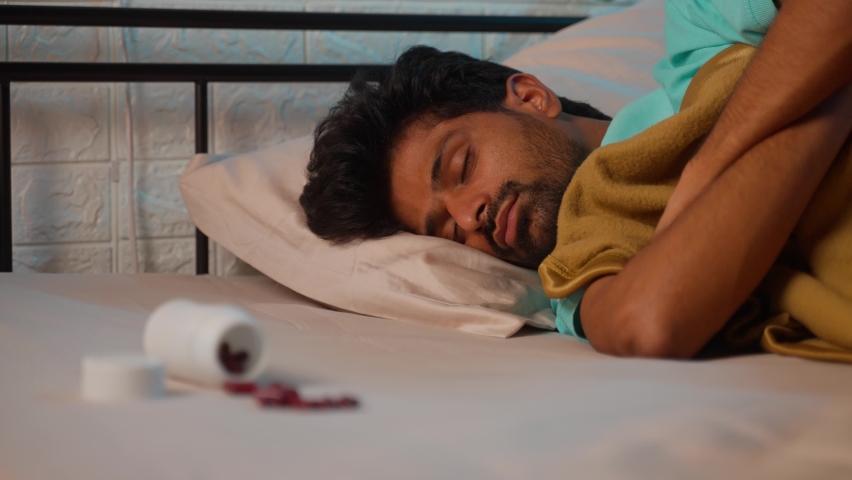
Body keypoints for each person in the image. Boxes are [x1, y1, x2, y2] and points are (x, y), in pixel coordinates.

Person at [300, 0, 852, 358]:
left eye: (461, 166)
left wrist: (707, 169)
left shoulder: (704, 28)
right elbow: (648, 322)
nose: (471, 216)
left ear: (531, 97)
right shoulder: (580, 277)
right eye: (446, 229)